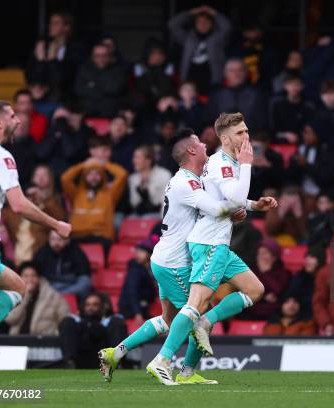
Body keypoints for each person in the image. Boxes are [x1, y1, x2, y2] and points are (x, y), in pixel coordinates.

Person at [98, 127, 267, 385]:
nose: (204, 144)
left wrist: (251, 205)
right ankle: (171, 365)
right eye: (199, 142)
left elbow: (222, 204)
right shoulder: (184, 182)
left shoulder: (195, 178)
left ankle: (115, 352)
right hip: (177, 261)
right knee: (195, 314)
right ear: (191, 150)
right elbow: (216, 208)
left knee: (170, 319)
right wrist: (235, 207)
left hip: (183, 254)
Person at [146, 114, 278, 385]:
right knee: (196, 304)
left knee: (255, 289)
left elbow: (228, 200)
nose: (246, 137)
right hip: (208, 243)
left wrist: (254, 206)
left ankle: (190, 362)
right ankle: (163, 361)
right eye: (240, 133)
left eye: (246, 131)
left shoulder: (223, 162)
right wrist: (248, 165)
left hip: (219, 242)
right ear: (225, 138)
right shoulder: (223, 163)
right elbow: (234, 198)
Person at [0, 100, 71, 378]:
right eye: (13, 116)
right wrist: (55, 224)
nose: (19, 120)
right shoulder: (0, 156)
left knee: (18, 286)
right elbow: (19, 205)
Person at [2, 165, 67, 265]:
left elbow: (61, 221)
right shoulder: (13, 212)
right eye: (28, 196)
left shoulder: (50, 206)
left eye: (44, 175)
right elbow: (0, 216)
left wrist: (44, 200)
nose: (31, 198)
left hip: (39, 261)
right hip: (15, 260)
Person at [61, 155, 128, 244]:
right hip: (78, 236)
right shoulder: (77, 194)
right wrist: (83, 165)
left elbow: (122, 175)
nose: (93, 177)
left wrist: (104, 164)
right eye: (90, 174)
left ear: (102, 177)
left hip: (101, 237)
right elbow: (65, 179)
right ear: (84, 177)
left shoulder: (110, 194)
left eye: (97, 174)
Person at [168, 5, 231, 95]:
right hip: (190, 82)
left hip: (212, 82)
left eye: (206, 22)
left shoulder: (218, 38)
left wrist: (213, 13)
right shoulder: (188, 38)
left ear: (212, 24)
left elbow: (227, 27)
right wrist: (191, 12)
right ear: (195, 24)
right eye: (199, 22)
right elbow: (172, 25)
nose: (203, 25)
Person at [25, 11, 85, 100]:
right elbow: (31, 76)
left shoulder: (76, 48)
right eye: (50, 23)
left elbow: (64, 78)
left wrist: (53, 60)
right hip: (40, 97)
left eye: (55, 23)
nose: (50, 26)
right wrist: (41, 61)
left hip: (66, 99)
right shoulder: (43, 46)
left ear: (67, 27)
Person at [59, 292, 127, 368]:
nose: (90, 308)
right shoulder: (76, 321)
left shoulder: (111, 321)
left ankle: (116, 364)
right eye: (87, 305)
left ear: (103, 307)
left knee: (117, 322)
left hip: (105, 359)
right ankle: (70, 363)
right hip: (80, 359)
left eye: (95, 305)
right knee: (67, 322)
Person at [5, 262, 69, 335]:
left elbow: (65, 320)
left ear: (39, 278)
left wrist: (54, 336)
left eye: (33, 275)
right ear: (20, 278)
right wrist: (24, 296)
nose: (30, 279)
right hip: (17, 340)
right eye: (26, 276)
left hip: (44, 341)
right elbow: (10, 320)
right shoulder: (14, 295)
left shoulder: (53, 296)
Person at [205, 59, 268, 132]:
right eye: (232, 70)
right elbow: (208, 120)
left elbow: (262, 121)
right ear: (225, 74)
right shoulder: (216, 95)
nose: (236, 74)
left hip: (250, 135)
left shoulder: (257, 94)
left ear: (246, 73)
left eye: (240, 70)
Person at [35, 106, 91, 179]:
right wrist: (55, 134)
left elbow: (70, 153)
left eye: (64, 119)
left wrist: (64, 132)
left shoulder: (78, 135)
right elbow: (41, 154)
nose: (61, 122)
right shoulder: (48, 134)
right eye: (58, 119)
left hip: (70, 174)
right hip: (50, 175)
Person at [288, 123, 334, 200]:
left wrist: (306, 165)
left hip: (322, 189)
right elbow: (291, 176)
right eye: (304, 132)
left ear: (317, 134)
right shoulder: (302, 147)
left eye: (308, 133)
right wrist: (294, 162)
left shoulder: (328, 150)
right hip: (301, 188)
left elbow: (327, 177)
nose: (305, 136)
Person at [240, 240, 289, 320]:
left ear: (274, 257)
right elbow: (246, 291)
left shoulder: (283, 272)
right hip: (252, 309)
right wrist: (264, 296)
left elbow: (278, 290)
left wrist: (266, 272)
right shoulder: (252, 271)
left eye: (264, 253)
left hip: (273, 311)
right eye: (259, 253)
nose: (260, 256)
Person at [74, 43, 127, 117]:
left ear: (109, 56)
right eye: (97, 56)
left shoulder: (118, 70)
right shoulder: (84, 70)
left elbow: (115, 88)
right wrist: (103, 88)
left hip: (110, 112)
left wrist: (93, 85)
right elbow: (79, 90)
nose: (100, 59)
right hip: (87, 111)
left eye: (104, 56)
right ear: (92, 57)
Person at [33, 231, 91, 296]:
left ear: (67, 240)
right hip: (51, 285)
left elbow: (84, 274)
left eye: (59, 239)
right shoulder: (42, 252)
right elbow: (36, 271)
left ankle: (57, 295)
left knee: (85, 282)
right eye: (53, 239)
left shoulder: (76, 251)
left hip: (70, 285)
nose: (56, 243)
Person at [131, 39, 175, 114]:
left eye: (160, 54)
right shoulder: (139, 66)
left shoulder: (168, 67)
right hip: (145, 103)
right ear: (148, 55)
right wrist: (152, 70)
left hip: (163, 102)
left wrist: (158, 69)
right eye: (154, 54)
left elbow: (168, 88)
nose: (157, 57)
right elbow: (141, 87)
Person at [269, 74, 315, 144]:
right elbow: (272, 129)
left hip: (302, 143)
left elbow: (310, 129)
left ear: (302, 86)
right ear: (285, 86)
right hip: (280, 143)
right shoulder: (277, 106)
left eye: (297, 85)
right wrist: (285, 135)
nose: (294, 88)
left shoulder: (308, 107)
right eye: (291, 84)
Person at [128, 145, 172, 216]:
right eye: (134, 157)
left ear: (148, 161)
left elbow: (163, 202)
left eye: (137, 157)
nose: (134, 160)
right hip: (138, 216)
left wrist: (149, 185)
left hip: (160, 215)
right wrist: (141, 189)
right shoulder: (133, 178)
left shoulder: (164, 175)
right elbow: (134, 203)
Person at [118, 240, 156, 320]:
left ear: (150, 253)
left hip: (143, 307)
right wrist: (137, 313)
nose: (137, 254)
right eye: (137, 251)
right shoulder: (135, 269)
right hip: (131, 310)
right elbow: (132, 291)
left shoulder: (150, 269)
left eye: (141, 251)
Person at [286, 246, 326, 319]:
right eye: (306, 257)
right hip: (301, 317)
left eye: (312, 257)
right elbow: (291, 295)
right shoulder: (300, 277)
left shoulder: (327, 278)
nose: (307, 260)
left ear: (320, 260)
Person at [1, 112, 37, 187]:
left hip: (26, 186)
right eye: (18, 124)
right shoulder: (2, 145)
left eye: (25, 124)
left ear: (29, 126)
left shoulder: (34, 146)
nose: (21, 127)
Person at [248, 132, 284, 199]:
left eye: (258, 147)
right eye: (253, 147)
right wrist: (248, 166)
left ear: (266, 145)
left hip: (267, 190)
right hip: (250, 191)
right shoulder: (246, 155)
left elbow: (280, 180)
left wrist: (268, 166)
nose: (256, 150)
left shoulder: (275, 157)